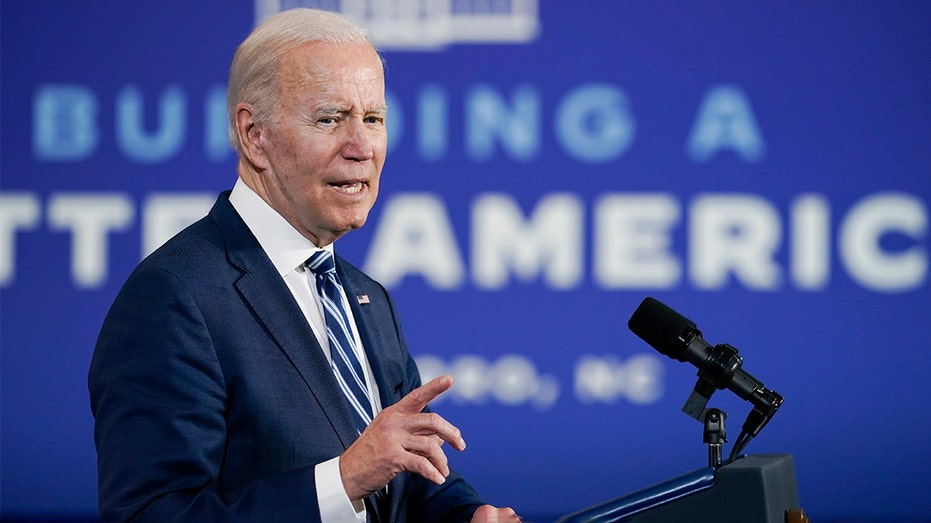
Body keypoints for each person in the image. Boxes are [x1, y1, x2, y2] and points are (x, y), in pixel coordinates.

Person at [88, 8, 521, 523]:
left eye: (374, 119)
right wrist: (342, 481)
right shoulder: (174, 296)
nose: (361, 148)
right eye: (329, 119)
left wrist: (466, 516)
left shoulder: (366, 297)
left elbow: (405, 478)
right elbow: (149, 515)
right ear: (254, 135)